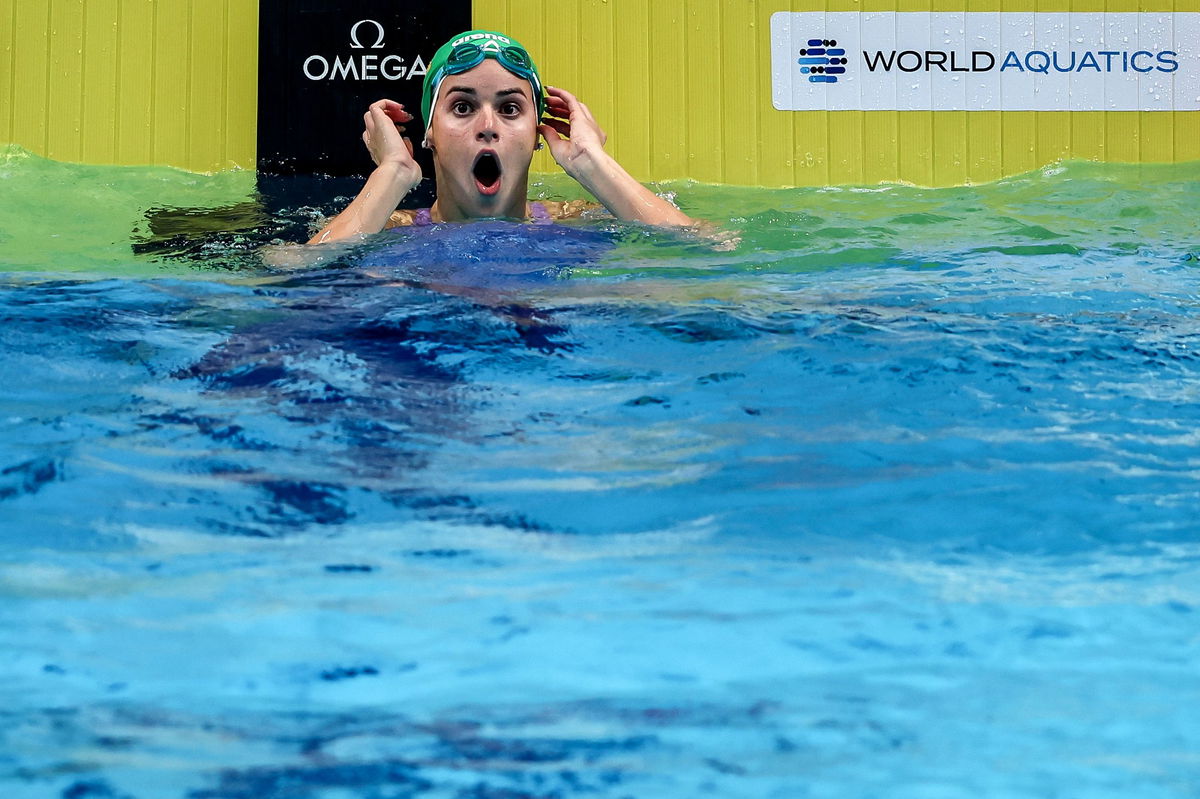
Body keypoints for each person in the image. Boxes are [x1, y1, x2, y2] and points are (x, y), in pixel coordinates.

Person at [308, 29, 695, 245]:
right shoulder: (386, 227)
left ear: (536, 134)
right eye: (462, 107)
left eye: (511, 109)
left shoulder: (579, 220)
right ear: (429, 132)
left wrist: (592, 164)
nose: (488, 125)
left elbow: (710, 247)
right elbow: (296, 275)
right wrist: (391, 173)